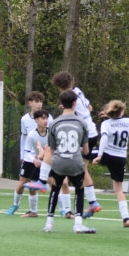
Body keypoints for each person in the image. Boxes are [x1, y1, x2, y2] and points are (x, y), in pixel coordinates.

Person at [40, 89, 95, 234]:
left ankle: (49, 223)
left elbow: (51, 149)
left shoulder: (53, 123)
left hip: (59, 162)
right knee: (79, 189)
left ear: (61, 104)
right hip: (75, 162)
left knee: (55, 189)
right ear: (75, 103)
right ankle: (78, 223)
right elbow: (86, 150)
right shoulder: (82, 123)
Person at [51, 71, 101, 217]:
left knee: (73, 167)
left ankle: (89, 202)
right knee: (82, 168)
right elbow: (90, 107)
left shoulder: (68, 97)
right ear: (71, 81)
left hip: (82, 132)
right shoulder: (78, 91)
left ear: (58, 86)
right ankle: (90, 202)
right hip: (92, 131)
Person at [93, 100, 129, 227]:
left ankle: (91, 200)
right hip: (120, 157)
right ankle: (126, 218)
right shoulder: (128, 122)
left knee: (84, 152)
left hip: (107, 154)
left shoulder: (106, 124)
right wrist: (108, 115)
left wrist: (99, 155)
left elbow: (104, 138)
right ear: (122, 111)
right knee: (118, 189)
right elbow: (118, 120)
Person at [7, 109, 50, 217]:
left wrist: (42, 158)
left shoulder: (51, 133)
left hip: (44, 161)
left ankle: (34, 211)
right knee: (22, 183)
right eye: (43, 118)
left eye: (46, 118)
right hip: (31, 159)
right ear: (36, 120)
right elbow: (27, 151)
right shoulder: (32, 135)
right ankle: (15, 205)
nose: (45, 121)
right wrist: (34, 160)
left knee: (34, 185)